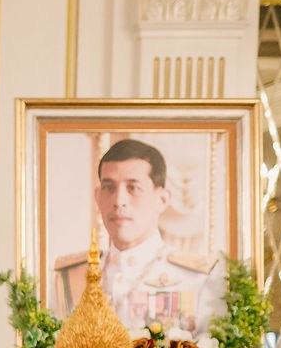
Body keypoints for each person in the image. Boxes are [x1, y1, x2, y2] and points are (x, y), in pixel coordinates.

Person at [51, 137, 224, 336]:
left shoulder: (197, 278)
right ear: (98, 197)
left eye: (133, 188)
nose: (119, 201)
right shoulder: (69, 277)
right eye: (109, 188)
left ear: (162, 199)